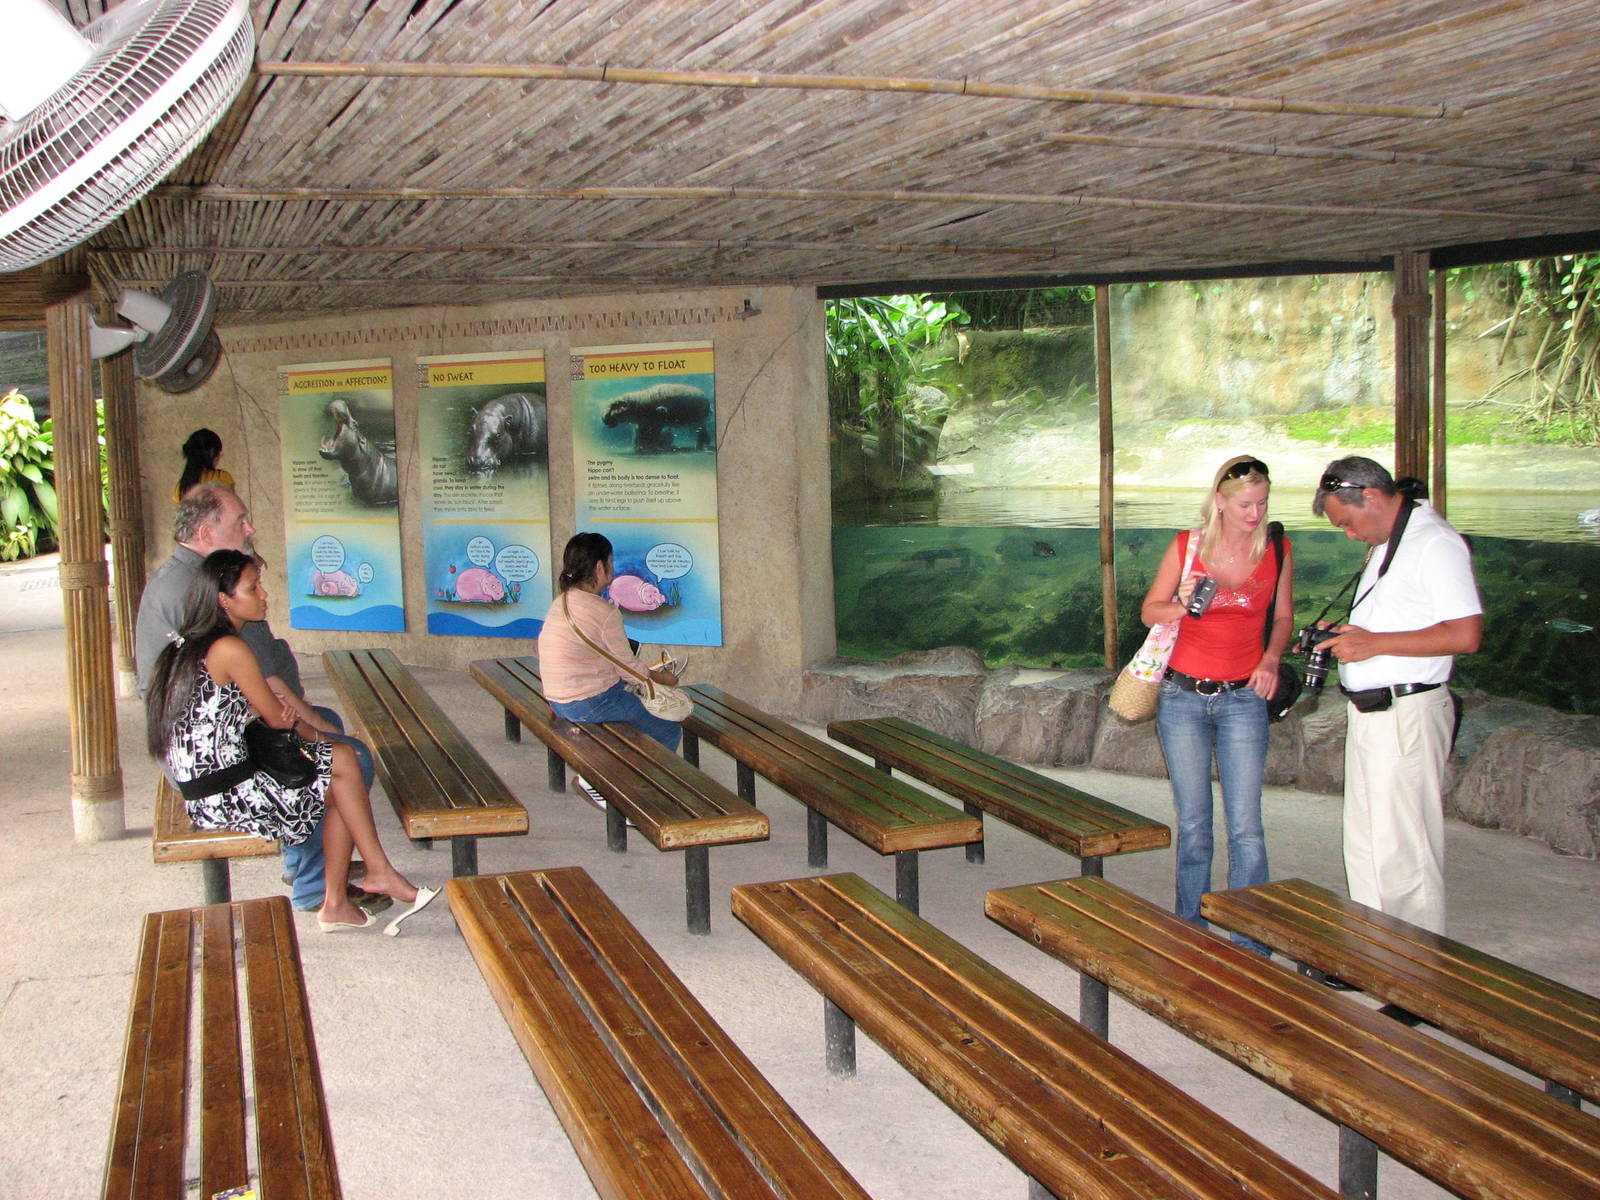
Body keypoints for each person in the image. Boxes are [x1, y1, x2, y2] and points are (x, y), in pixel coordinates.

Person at [145, 551, 436, 934]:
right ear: (224, 600)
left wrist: (318, 736)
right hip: (224, 796)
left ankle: (348, 894)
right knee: (344, 766)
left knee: (341, 767)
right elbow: (280, 722)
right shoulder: (230, 649)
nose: (264, 594)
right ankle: (359, 882)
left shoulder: (192, 643)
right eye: (253, 587)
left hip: (207, 783)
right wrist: (321, 736)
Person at [135, 483, 381, 914]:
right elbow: (270, 689)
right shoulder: (212, 588)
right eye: (239, 521)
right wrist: (320, 734)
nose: (250, 527)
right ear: (206, 533)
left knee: (328, 725)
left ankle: (307, 853)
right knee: (349, 756)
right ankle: (314, 884)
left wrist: (314, 724)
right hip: (207, 757)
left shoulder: (180, 574)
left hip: (206, 735)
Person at [1312, 456, 1481, 934]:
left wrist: (1375, 644)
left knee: (1405, 847)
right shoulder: (1392, 542)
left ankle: (1417, 973)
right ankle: (1374, 952)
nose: (1347, 534)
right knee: (1366, 840)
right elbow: (1398, 619)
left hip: (1407, 710)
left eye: (1346, 523)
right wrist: (1348, 634)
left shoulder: (1434, 543)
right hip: (1372, 710)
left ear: (1370, 496)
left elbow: (1465, 635)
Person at [1141, 456, 1293, 952]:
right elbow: (1150, 611)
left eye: (1263, 502)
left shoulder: (1278, 546)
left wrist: (1271, 659)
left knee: (1246, 824)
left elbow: (1284, 617)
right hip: (1182, 695)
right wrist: (1183, 604)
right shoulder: (1187, 546)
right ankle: (1191, 924)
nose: (1256, 512)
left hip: (1243, 698)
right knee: (1194, 821)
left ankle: (1250, 935)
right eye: (1246, 504)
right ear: (1220, 502)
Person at [537, 533, 682, 801]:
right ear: (599, 567)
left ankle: (609, 778)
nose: (612, 568)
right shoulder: (604, 612)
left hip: (556, 698)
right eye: (610, 562)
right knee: (667, 729)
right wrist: (664, 678)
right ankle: (621, 791)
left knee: (632, 708)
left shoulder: (562, 602)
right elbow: (629, 669)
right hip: (587, 702)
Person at [172, 428, 235, 503]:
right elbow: (232, 508)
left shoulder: (181, 487)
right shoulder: (222, 477)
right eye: (218, 452)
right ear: (211, 452)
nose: (219, 457)